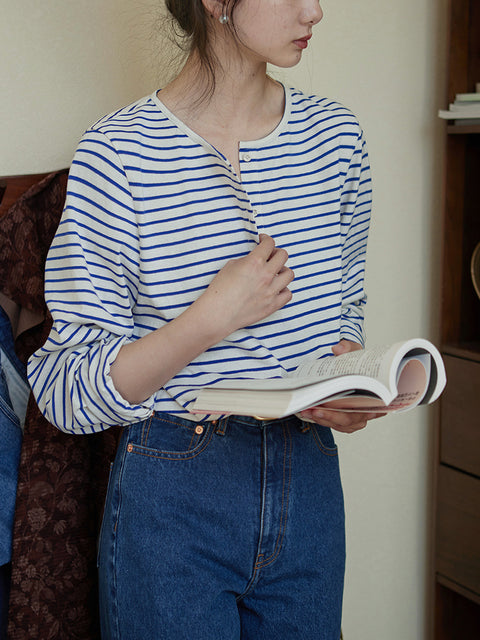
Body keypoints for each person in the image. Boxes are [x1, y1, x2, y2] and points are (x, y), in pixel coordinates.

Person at [28, 1, 384, 638]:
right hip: (173, 495)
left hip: (310, 484)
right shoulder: (119, 154)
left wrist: (347, 385)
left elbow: (344, 311)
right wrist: (209, 319)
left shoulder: (337, 140)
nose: (316, 9)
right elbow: (64, 392)